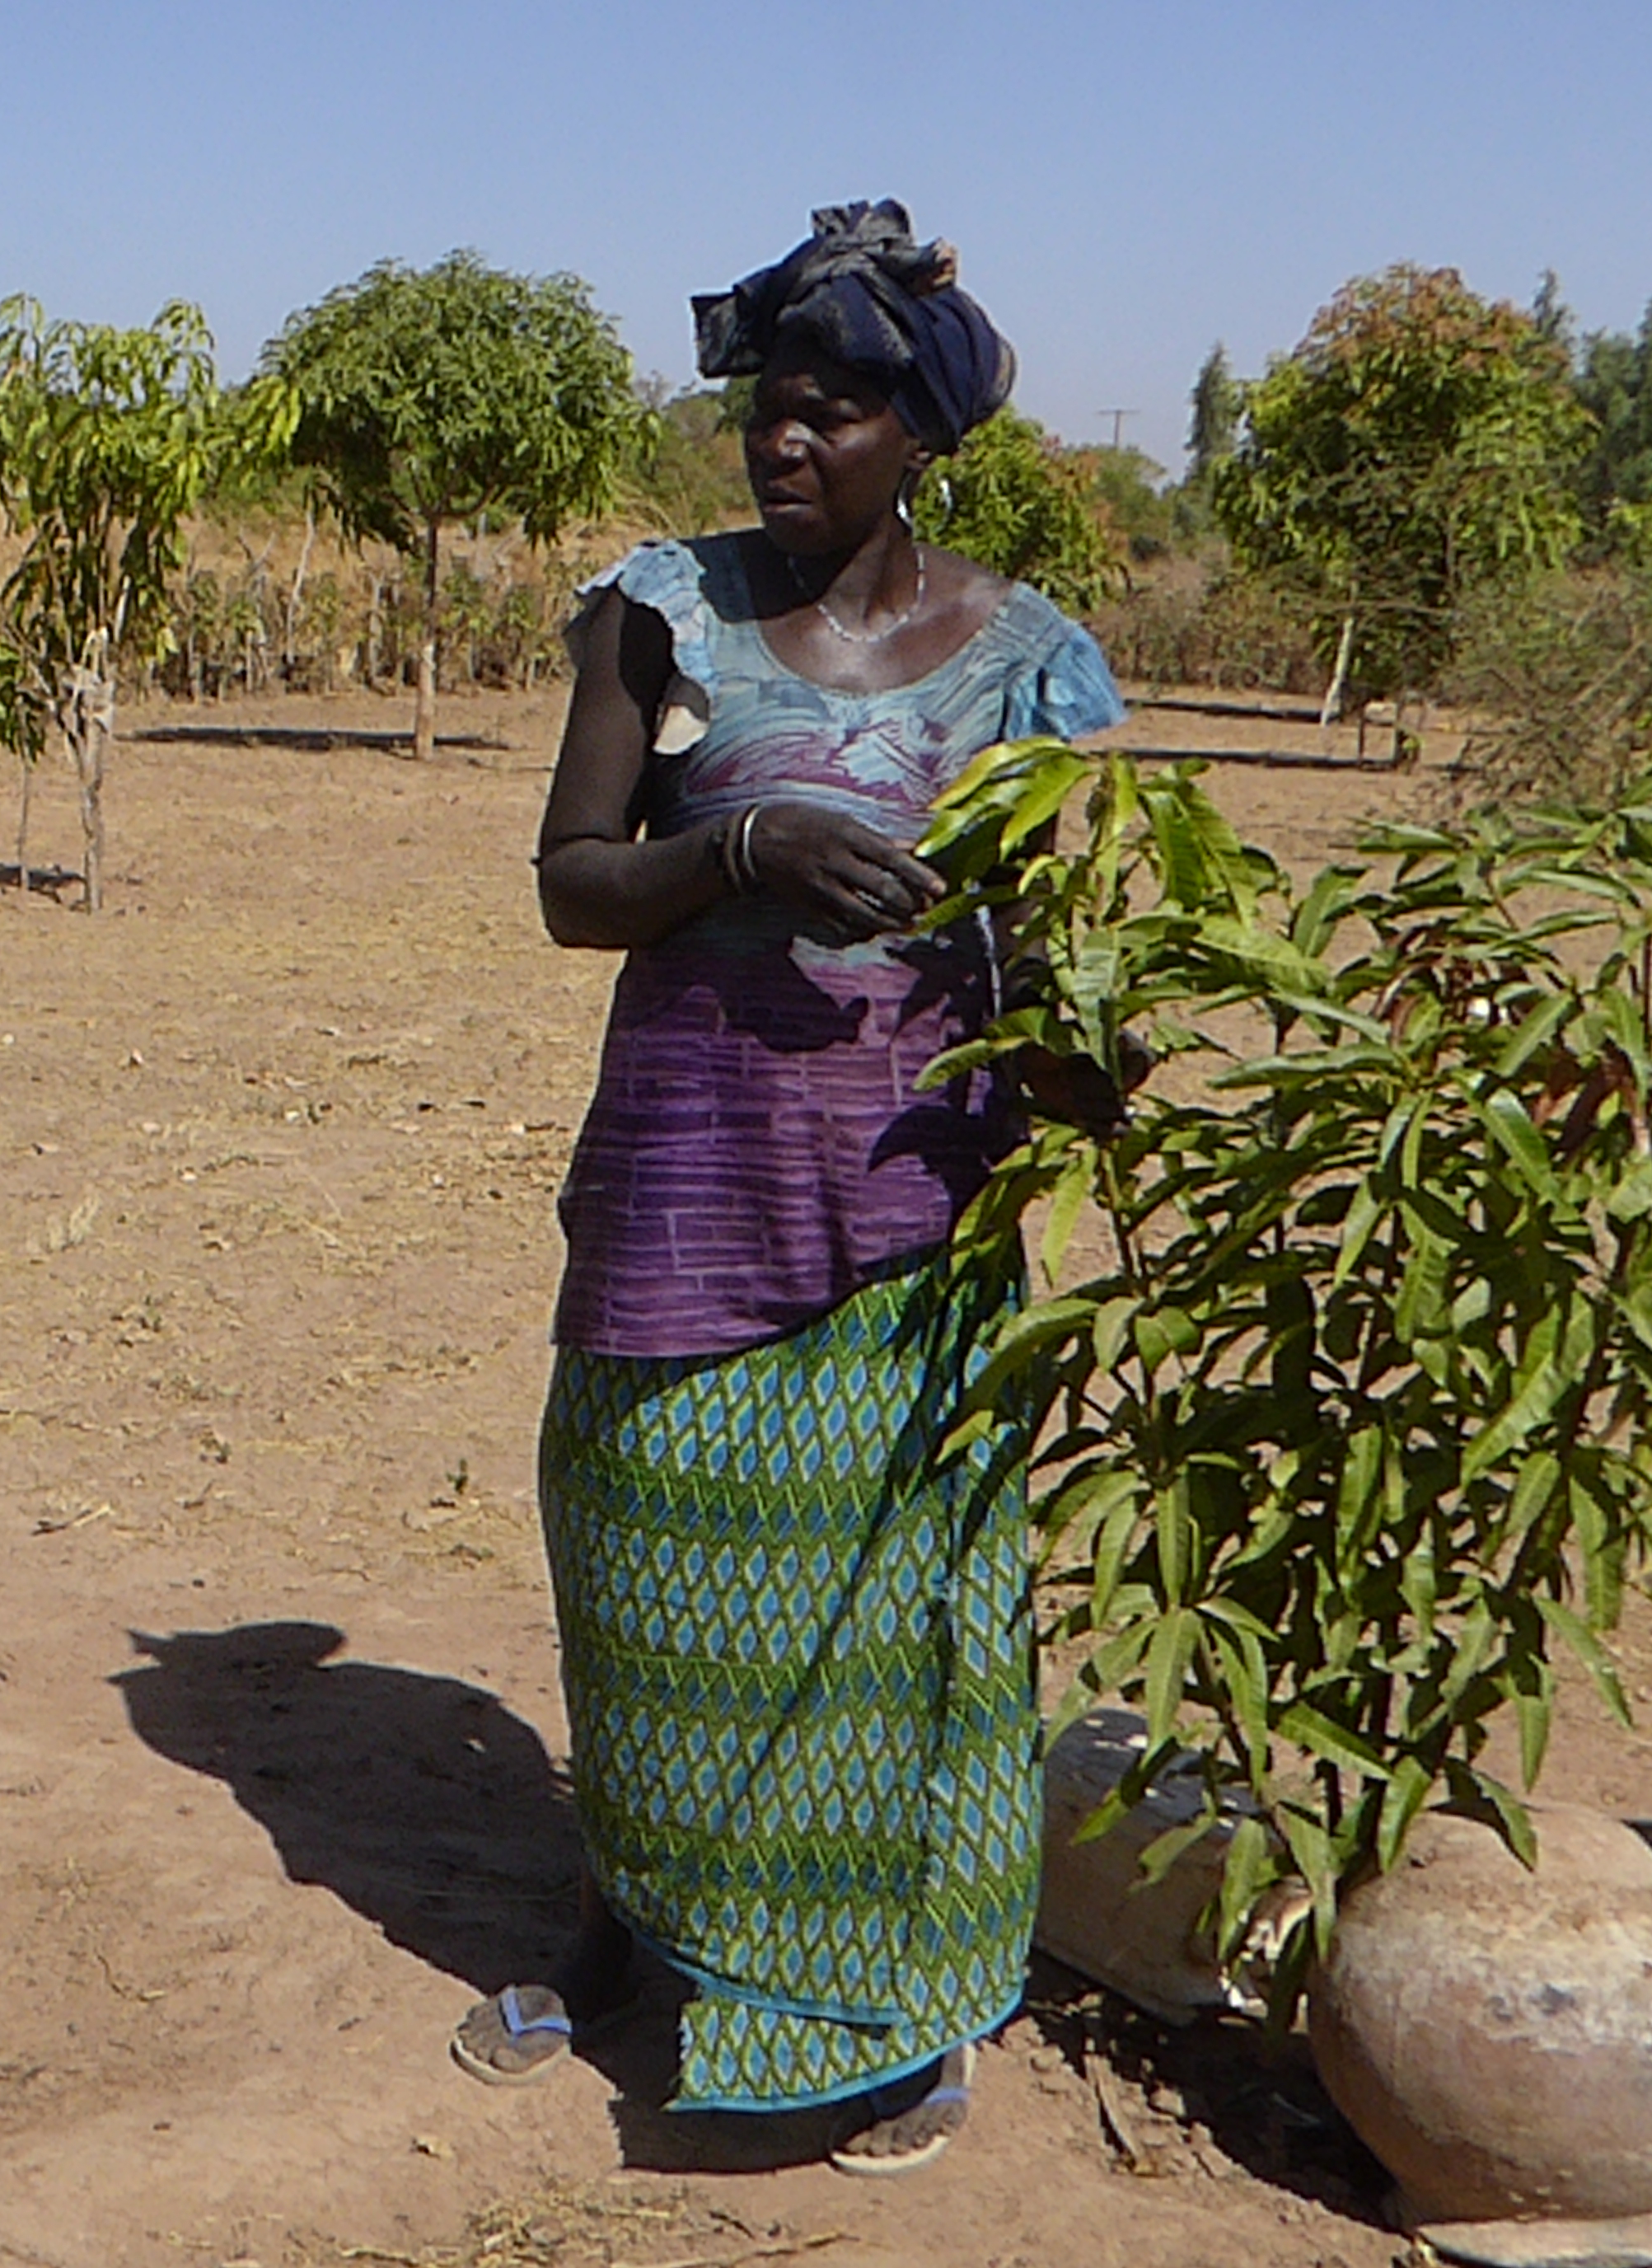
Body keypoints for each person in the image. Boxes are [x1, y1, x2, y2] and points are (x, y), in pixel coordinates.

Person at [452, 201, 1124, 2177]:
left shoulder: (1034, 664)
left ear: (925, 436)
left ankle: (904, 2004)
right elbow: (576, 882)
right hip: (684, 1181)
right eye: (767, 412)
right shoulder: (659, 612)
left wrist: (1104, 1075)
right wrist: (740, 855)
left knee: (890, 1609)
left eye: (832, 416)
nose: (785, 446)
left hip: (910, 1207)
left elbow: (1074, 949)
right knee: (643, 1566)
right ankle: (630, 1929)